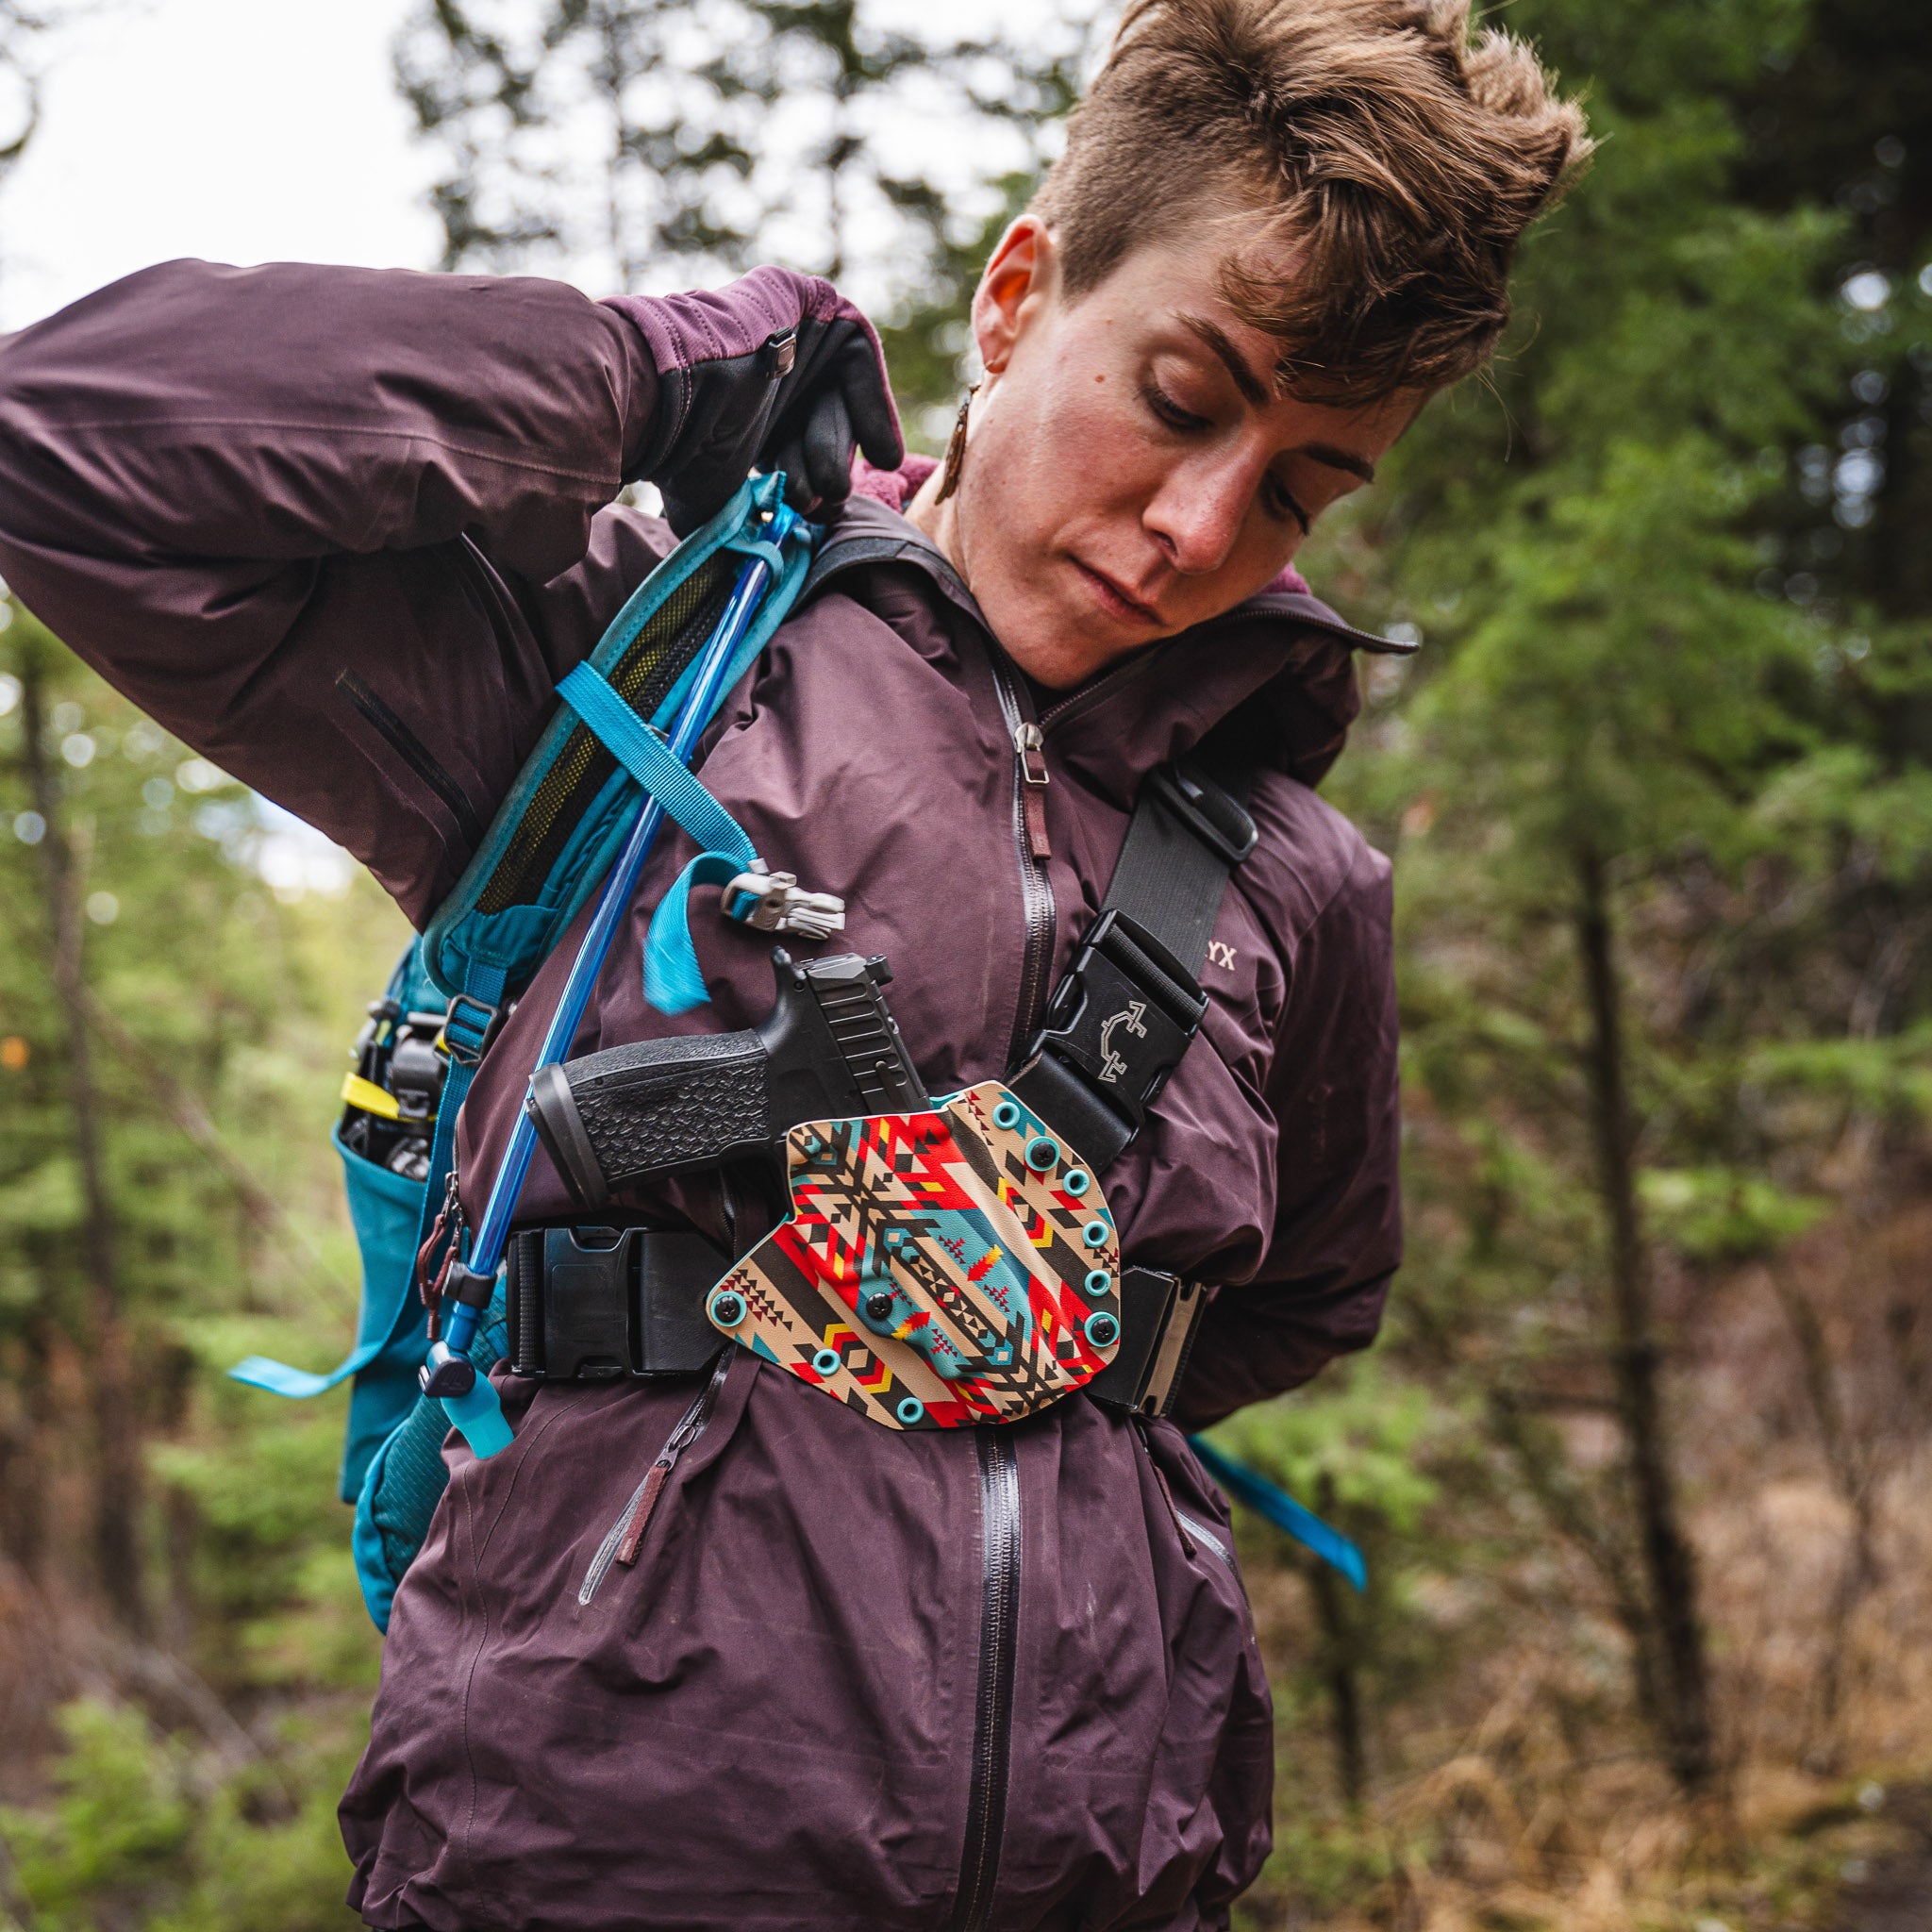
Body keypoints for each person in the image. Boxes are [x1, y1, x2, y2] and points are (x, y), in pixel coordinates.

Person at [0, 0, 1588, 1923]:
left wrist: (1009, 1373)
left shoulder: (1302, 872)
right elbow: (67, 438)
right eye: (1181, 398)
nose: (1197, 528)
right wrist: (649, 377)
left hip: (1122, 1855)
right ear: (1014, 299)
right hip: (595, 1847)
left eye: (1298, 487)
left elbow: (1299, 1300)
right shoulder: (627, 672)